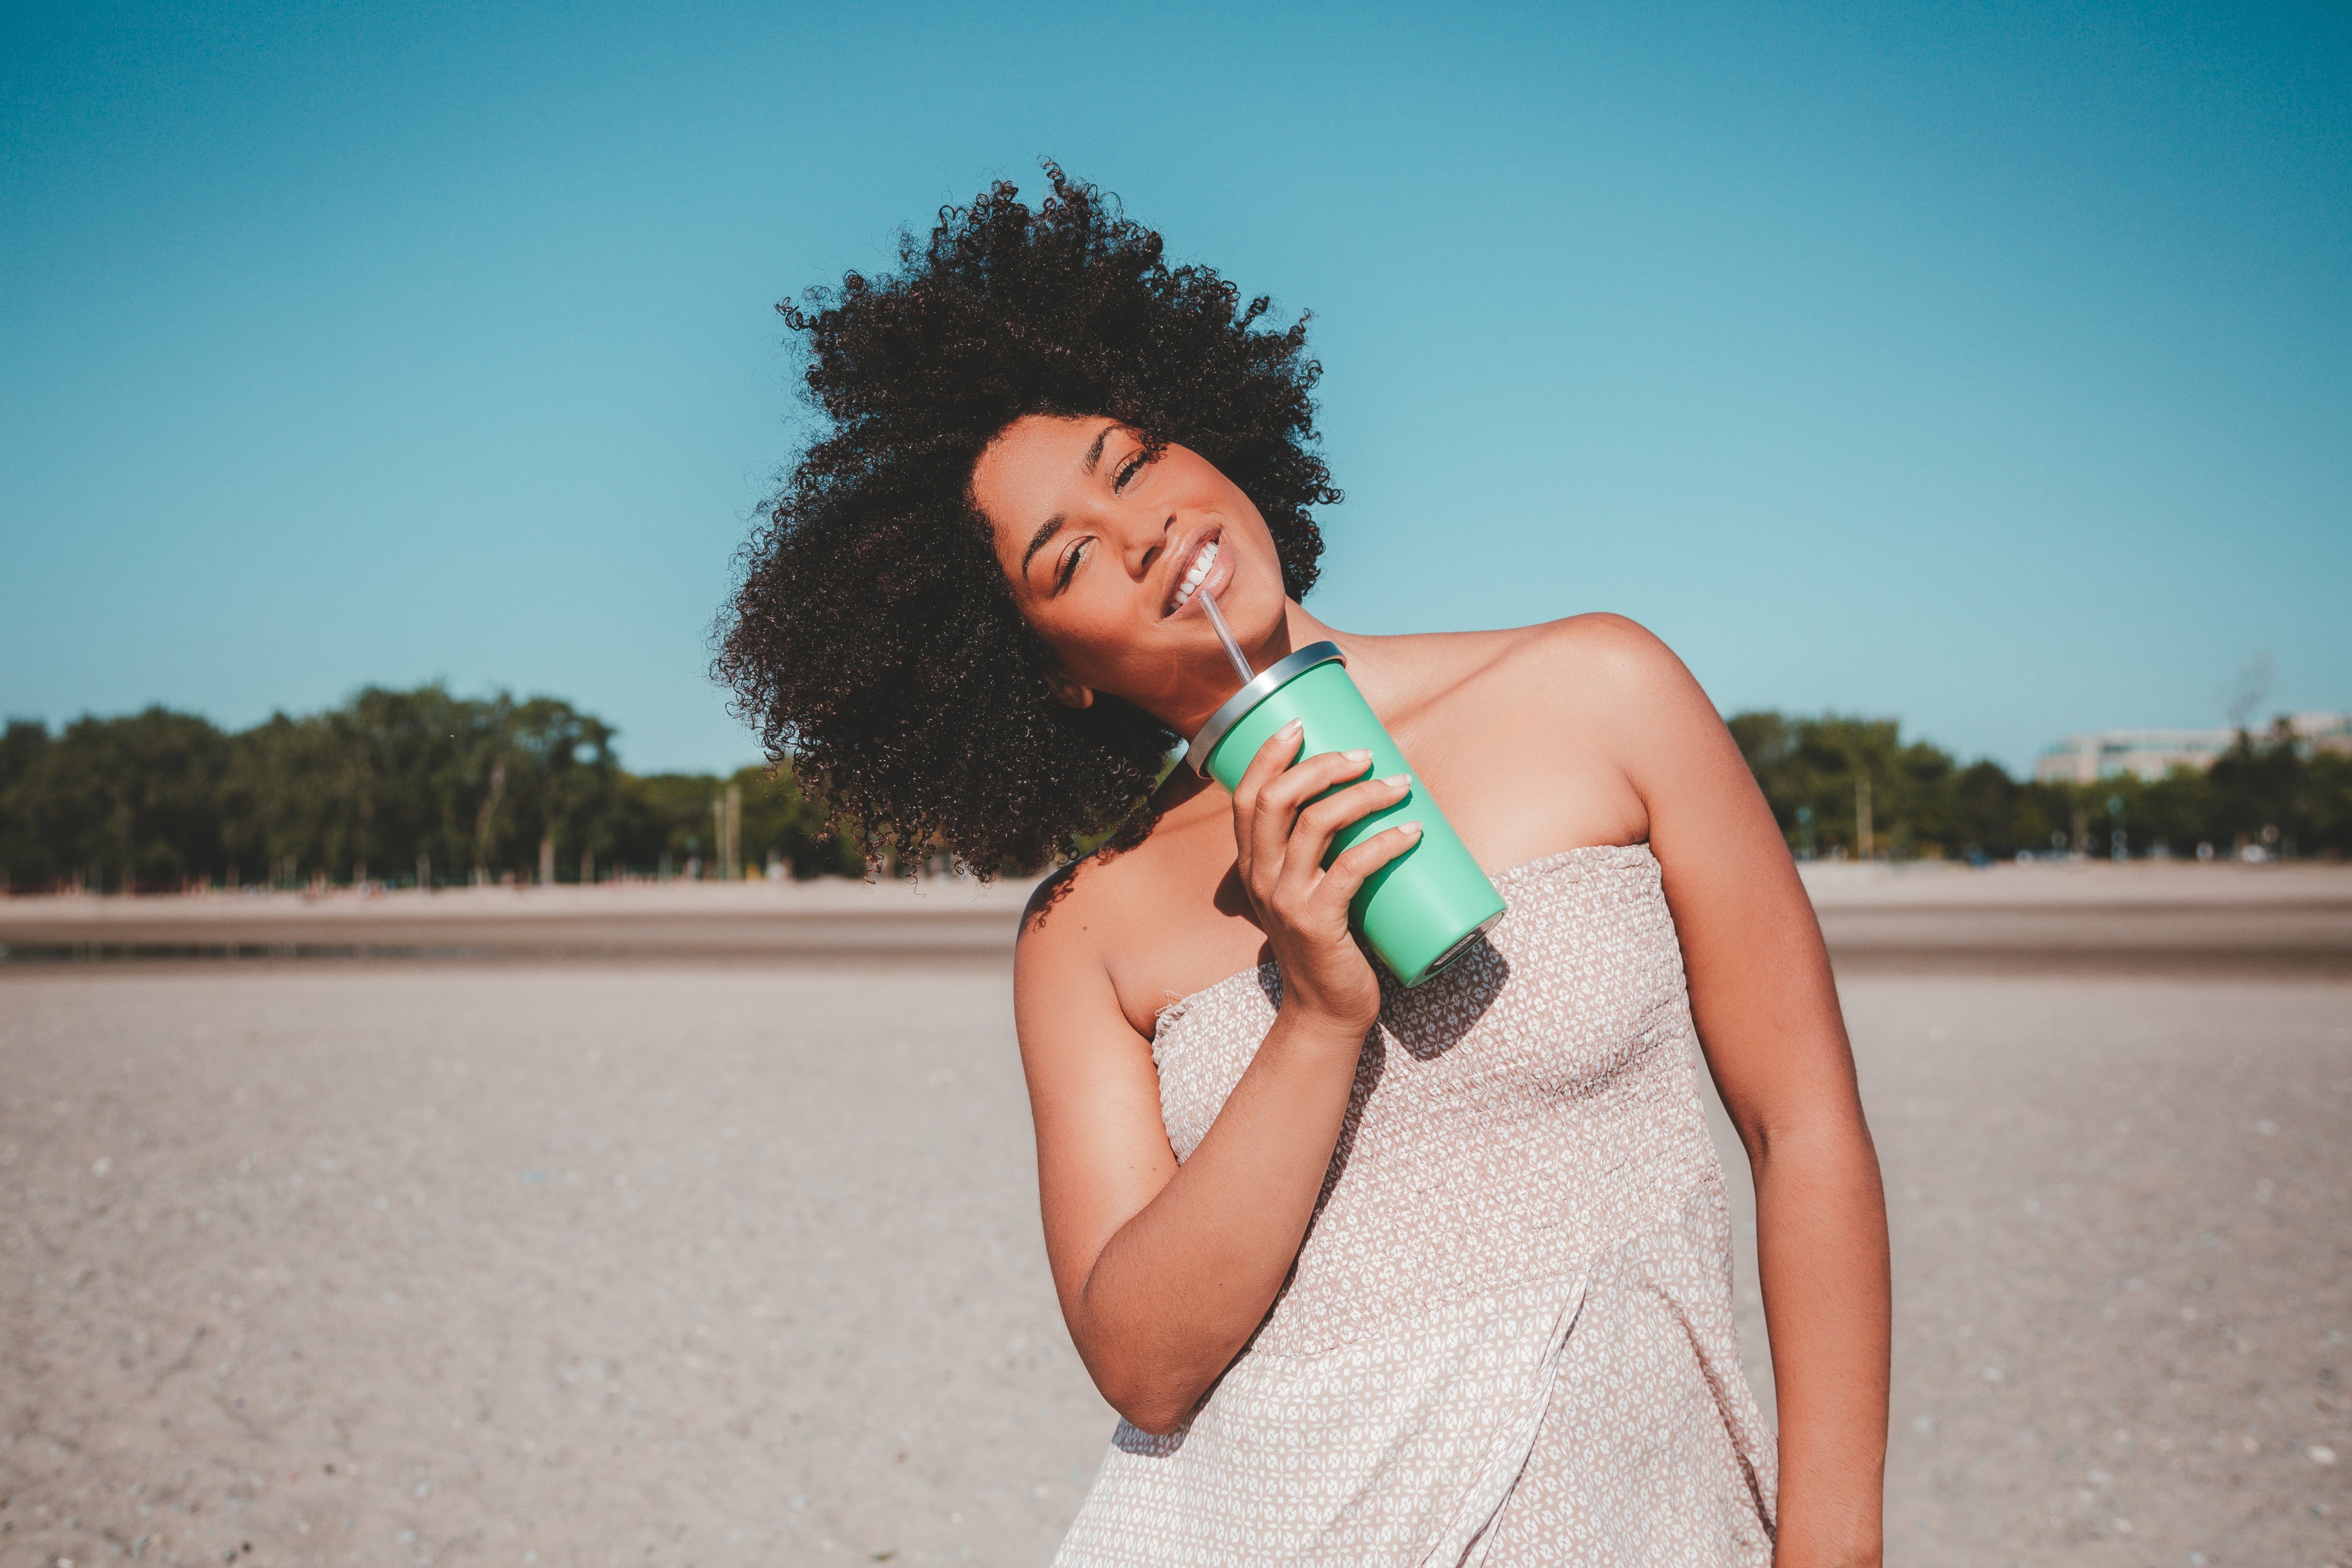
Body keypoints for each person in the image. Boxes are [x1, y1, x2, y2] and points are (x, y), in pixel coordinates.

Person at [718, 166, 1889, 1567]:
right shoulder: (1086, 930)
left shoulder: (1600, 691)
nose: (1142, 532)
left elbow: (1803, 1127)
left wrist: (1833, 1543)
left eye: (1130, 462)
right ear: (1046, 676)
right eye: (1065, 559)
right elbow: (1143, 1364)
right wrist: (1317, 1009)